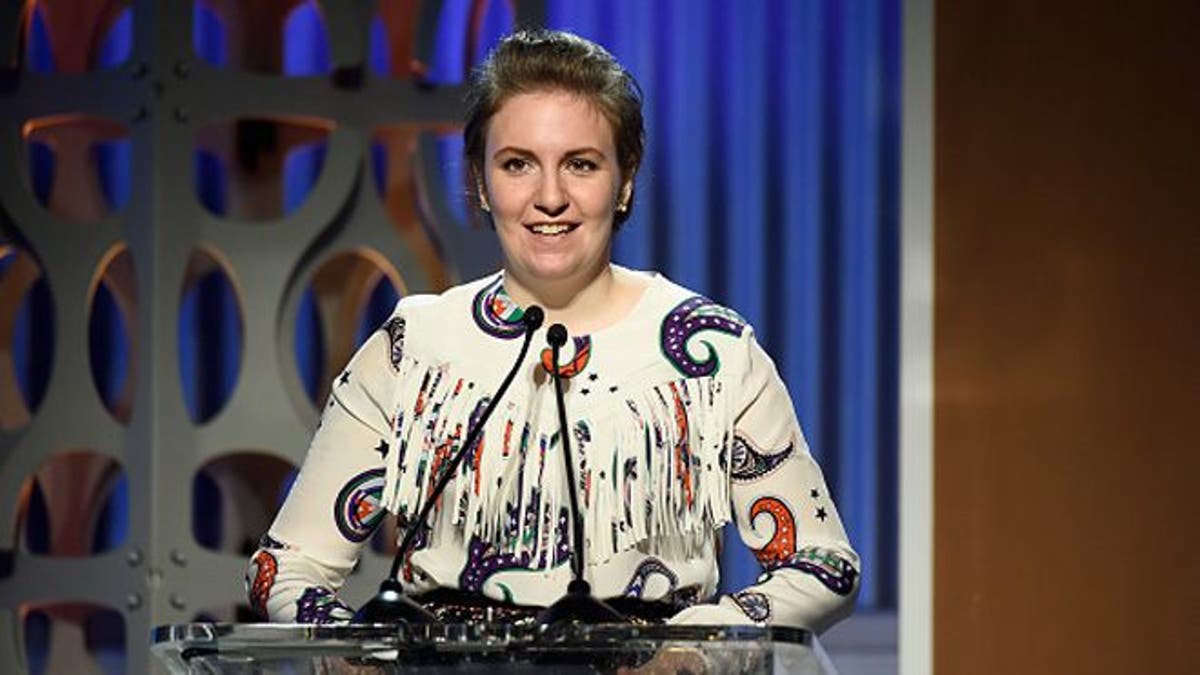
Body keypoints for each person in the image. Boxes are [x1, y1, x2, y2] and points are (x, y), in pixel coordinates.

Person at [246, 28, 859, 634]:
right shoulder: (414, 348)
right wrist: (358, 654)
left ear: (624, 180)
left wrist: (703, 640)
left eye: (580, 165)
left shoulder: (712, 351)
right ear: (482, 184)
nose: (549, 197)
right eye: (518, 165)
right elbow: (287, 565)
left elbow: (823, 563)